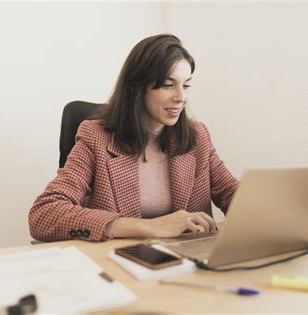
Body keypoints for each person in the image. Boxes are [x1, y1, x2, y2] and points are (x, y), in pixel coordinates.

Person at [29, 34, 238, 242]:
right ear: (137, 87)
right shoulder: (96, 138)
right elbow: (43, 214)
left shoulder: (197, 136)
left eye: (185, 85)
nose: (181, 97)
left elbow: (232, 193)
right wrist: (147, 227)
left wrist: (262, 212)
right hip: (120, 263)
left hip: (188, 264)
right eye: (167, 85)